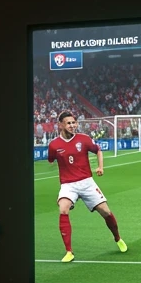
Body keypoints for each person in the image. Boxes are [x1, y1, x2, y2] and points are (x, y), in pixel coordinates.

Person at [46, 110, 127, 263]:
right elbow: (51, 160)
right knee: (63, 208)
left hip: (87, 182)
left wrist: (100, 167)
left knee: (105, 211)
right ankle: (69, 252)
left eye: (73, 123)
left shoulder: (84, 139)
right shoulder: (54, 145)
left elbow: (98, 151)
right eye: (68, 123)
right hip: (68, 185)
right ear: (61, 125)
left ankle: (118, 238)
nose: (72, 125)